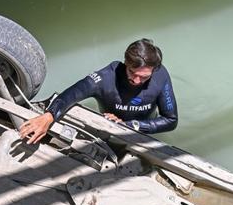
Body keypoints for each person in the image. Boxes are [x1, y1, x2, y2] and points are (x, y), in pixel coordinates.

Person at [19, 38, 178, 144]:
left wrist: (127, 125)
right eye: (132, 73)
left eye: (144, 77)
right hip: (108, 132)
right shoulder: (106, 77)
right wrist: (49, 116)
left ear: (153, 70)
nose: (136, 81)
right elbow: (73, 93)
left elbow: (170, 121)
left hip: (143, 131)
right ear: (125, 63)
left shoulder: (160, 75)